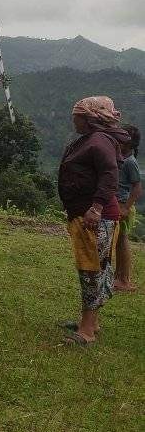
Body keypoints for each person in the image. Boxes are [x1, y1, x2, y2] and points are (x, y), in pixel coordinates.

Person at [57, 96, 130, 345]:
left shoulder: (99, 141)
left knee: (91, 270)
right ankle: (91, 322)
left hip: (96, 217)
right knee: (94, 267)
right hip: (89, 214)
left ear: (89, 118)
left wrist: (96, 208)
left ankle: (86, 331)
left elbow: (110, 175)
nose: (73, 119)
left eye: (76, 115)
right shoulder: (94, 140)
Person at [114, 123, 141, 293]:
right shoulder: (120, 158)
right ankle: (118, 277)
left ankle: (124, 280)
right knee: (116, 242)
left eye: (123, 139)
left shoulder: (131, 162)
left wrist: (125, 208)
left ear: (130, 144)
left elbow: (137, 189)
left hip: (123, 206)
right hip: (117, 205)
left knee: (122, 242)